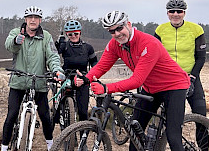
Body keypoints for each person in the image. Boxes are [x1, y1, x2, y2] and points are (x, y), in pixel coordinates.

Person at [75, 10, 189, 151]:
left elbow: (137, 81)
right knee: (135, 134)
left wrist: (106, 88)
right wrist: (86, 78)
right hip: (150, 88)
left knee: (173, 137)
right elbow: (102, 66)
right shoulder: (115, 44)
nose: (117, 34)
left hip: (174, 86)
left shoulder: (148, 43)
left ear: (128, 24)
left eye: (119, 28)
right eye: (112, 31)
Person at [1, 6, 64, 151]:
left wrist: (56, 70)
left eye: (36, 17)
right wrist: (16, 41)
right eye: (30, 17)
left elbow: (53, 56)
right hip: (18, 81)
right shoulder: (16, 32)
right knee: (11, 115)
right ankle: (4, 147)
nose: (33, 20)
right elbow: (9, 45)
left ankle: (50, 146)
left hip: (39, 82)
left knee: (45, 116)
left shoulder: (46, 36)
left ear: (40, 20)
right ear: (25, 19)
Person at [154, 0, 208, 140]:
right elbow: (154, 56)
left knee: (201, 114)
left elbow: (201, 58)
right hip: (168, 79)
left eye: (179, 11)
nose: (176, 14)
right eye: (172, 11)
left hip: (191, 76)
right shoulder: (161, 30)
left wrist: (193, 76)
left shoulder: (196, 30)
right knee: (170, 118)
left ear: (184, 13)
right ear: (167, 13)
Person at [54, 19, 98, 122]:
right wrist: (59, 43)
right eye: (70, 34)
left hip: (82, 78)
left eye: (76, 33)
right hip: (67, 77)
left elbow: (94, 63)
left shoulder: (88, 48)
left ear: (80, 33)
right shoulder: (64, 46)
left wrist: (94, 76)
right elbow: (54, 54)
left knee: (83, 111)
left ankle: (83, 133)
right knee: (59, 107)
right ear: (66, 35)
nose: (73, 36)